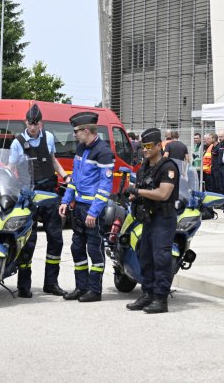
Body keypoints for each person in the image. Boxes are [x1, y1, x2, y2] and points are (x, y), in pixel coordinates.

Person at [9, 103, 68, 298]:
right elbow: (11, 169)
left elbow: (52, 159)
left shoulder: (48, 137)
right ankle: (24, 286)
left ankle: (51, 283)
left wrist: (65, 176)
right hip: (28, 195)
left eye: (36, 123)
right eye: (30, 123)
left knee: (56, 239)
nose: (33, 126)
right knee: (28, 241)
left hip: (49, 193)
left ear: (41, 123)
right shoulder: (17, 142)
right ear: (25, 122)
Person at [58, 111, 114, 302]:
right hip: (79, 207)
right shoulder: (81, 149)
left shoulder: (104, 152)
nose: (75, 135)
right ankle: (81, 287)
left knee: (94, 250)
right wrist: (66, 201)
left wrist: (94, 211)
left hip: (92, 210)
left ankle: (94, 290)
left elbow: (105, 187)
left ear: (87, 130)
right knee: (77, 248)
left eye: (77, 131)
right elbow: (74, 180)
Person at [124, 128, 180, 314]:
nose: (145, 150)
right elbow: (142, 187)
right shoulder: (145, 166)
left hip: (163, 219)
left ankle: (160, 299)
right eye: (142, 146)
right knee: (145, 258)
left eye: (148, 146)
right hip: (148, 219)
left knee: (161, 259)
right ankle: (147, 294)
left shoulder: (168, 167)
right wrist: (133, 196)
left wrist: (137, 192)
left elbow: (163, 193)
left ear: (158, 146)